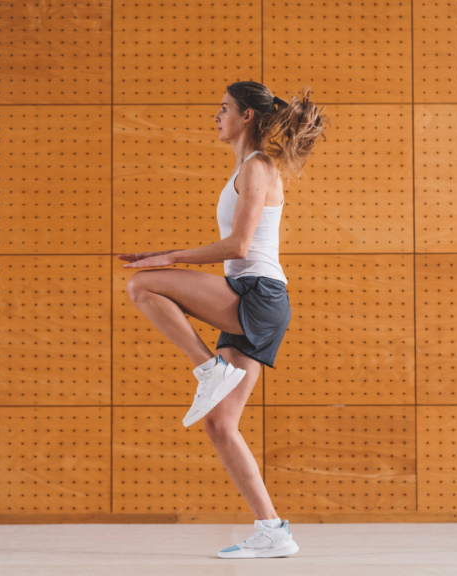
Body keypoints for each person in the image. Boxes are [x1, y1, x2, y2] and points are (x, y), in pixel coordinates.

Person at [117, 81, 330, 559]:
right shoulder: (247, 168)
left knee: (141, 285)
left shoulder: (257, 168)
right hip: (253, 297)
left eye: (223, 109)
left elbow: (237, 247)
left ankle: (209, 368)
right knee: (220, 424)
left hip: (257, 295)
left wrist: (165, 258)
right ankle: (273, 529)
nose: (215, 117)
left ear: (247, 117)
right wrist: (164, 258)